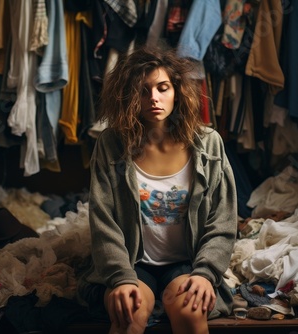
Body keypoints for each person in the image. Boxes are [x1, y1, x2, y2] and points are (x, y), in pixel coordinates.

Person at [77, 43, 238, 334]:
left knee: (190, 311)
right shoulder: (111, 143)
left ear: (177, 90)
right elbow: (103, 221)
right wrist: (120, 277)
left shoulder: (208, 143)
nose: (153, 98)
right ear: (129, 95)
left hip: (187, 262)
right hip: (133, 263)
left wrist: (205, 273)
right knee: (128, 315)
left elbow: (223, 221)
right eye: (142, 90)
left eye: (162, 88)